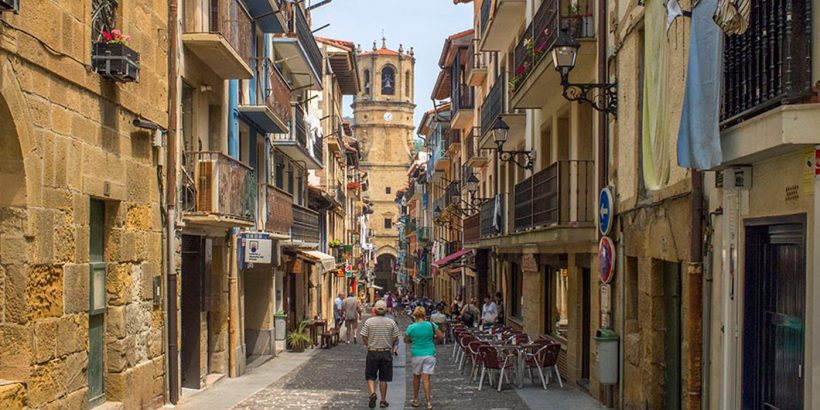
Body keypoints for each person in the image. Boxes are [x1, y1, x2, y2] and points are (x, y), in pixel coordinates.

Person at [361, 300, 400, 409]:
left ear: (375, 310)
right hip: (386, 352)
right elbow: (396, 336)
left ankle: (373, 393)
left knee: (370, 376)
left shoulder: (369, 322)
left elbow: (364, 335)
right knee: (384, 378)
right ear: (385, 310)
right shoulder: (391, 322)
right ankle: (383, 400)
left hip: (373, 351)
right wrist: (390, 342)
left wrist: (367, 343)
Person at [405, 306, 443, 409]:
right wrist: (432, 339)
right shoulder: (431, 325)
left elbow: (406, 340)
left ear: (415, 315)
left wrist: (414, 340)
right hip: (430, 353)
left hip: (417, 354)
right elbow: (441, 336)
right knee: (426, 379)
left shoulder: (411, 327)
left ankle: (416, 399)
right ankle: (428, 402)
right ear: (424, 314)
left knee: (416, 377)